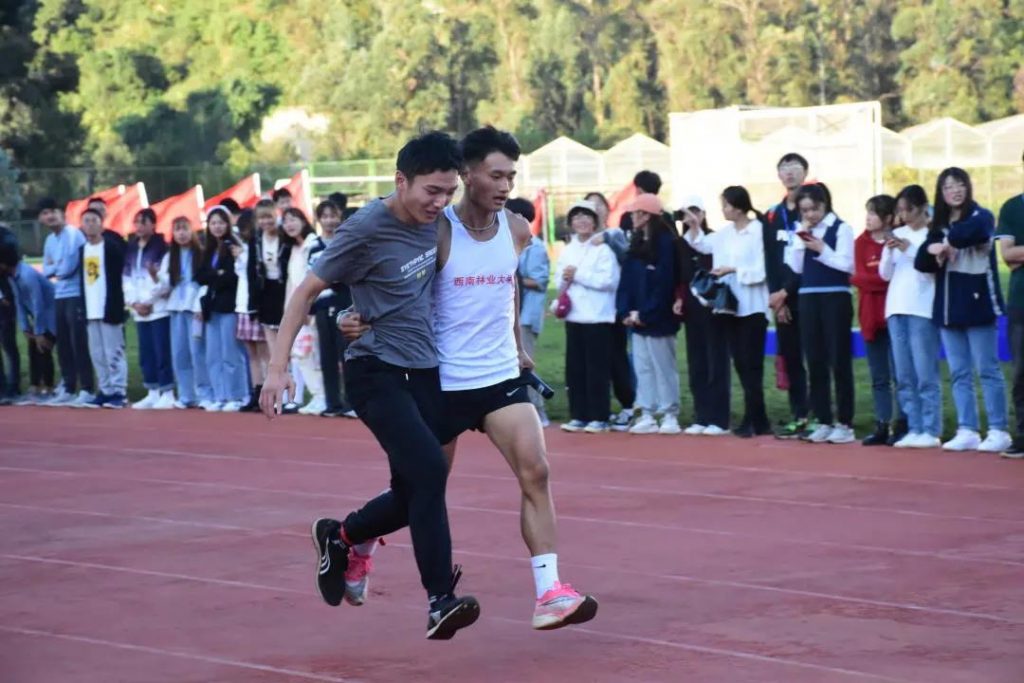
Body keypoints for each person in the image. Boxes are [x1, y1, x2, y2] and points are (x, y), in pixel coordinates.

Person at [340, 126, 598, 630]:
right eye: (495, 175)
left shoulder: (517, 229)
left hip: (499, 376)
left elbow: (508, 287)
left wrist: (518, 344)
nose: (504, 186)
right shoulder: (435, 232)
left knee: (537, 471)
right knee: (417, 493)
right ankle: (355, 538)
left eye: (511, 176)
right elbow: (393, 291)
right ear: (467, 174)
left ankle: (550, 593)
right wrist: (350, 317)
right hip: (439, 380)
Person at [259, 131, 481, 640]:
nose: (440, 202)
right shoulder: (364, 229)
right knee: (429, 472)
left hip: (426, 371)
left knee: (414, 490)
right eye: (431, 191)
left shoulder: (442, 219)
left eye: (448, 191)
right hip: (375, 372)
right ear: (401, 181)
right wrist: (278, 367)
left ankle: (342, 537)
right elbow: (305, 293)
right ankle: (440, 601)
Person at [916, 167, 1010, 453]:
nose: (954, 191)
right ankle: (967, 428)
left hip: (978, 303)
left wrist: (944, 244)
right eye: (948, 187)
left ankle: (998, 429)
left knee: (987, 369)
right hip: (948, 308)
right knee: (959, 372)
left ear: (968, 188)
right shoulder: (938, 226)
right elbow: (921, 261)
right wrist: (932, 249)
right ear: (941, 193)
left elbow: (970, 233)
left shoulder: (981, 216)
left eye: (959, 185)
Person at [685, 186, 771, 438]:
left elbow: (762, 271)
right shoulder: (725, 234)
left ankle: (753, 417)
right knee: (741, 364)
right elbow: (702, 244)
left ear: (739, 206)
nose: (723, 210)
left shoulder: (759, 231)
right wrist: (694, 225)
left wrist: (733, 270)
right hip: (729, 307)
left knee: (752, 365)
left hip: (753, 307)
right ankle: (758, 418)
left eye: (726, 205)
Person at [786, 183, 856, 444]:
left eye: (814, 209)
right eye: (805, 210)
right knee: (814, 360)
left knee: (839, 359)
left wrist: (822, 249)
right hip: (808, 296)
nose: (810, 215)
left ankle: (845, 423)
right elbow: (795, 267)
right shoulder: (803, 230)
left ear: (825, 204)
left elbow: (847, 264)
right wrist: (800, 239)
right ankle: (824, 419)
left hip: (835, 295)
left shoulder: (841, 228)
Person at [880, 185, 942, 449]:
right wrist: (889, 251)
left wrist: (908, 249)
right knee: (904, 375)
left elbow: (931, 270)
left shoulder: (933, 234)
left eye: (909, 209)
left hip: (922, 307)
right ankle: (914, 426)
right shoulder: (898, 233)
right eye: (900, 210)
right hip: (896, 307)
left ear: (922, 208)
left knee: (925, 372)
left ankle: (931, 428)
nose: (904, 215)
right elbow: (884, 274)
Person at [555, 200, 621, 433]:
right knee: (575, 369)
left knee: (597, 370)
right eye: (577, 217)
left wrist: (578, 275)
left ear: (595, 222)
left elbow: (609, 281)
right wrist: (565, 280)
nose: (581, 221)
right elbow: (559, 282)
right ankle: (578, 415)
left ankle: (599, 416)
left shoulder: (603, 249)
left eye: (586, 216)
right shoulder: (568, 249)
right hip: (574, 317)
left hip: (598, 318)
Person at [617, 194, 680, 434]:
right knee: (642, 366)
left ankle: (669, 414)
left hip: (659, 319)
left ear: (646, 215)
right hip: (636, 319)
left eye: (636, 213)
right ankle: (647, 412)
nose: (632, 217)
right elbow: (626, 282)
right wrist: (625, 311)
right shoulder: (636, 244)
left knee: (663, 367)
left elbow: (664, 284)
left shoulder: (666, 243)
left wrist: (646, 313)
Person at [672, 196, 730, 436]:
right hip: (691, 307)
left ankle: (719, 417)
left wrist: (697, 228)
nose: (691, 217)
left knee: (715, 359)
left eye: (695, 211)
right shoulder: (680, 243)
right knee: (697, 361)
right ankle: (702, 415)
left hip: (712, 305)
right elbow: (679, 275)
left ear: (704, 214)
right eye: (686, 212)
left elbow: (709, 254)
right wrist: (678, 298)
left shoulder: (714, 238)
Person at [852, 195, 907, 446]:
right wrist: (870, 280)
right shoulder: (860, 243)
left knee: (900, 374)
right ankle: (882, 423)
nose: (868, 218)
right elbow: (858, 277)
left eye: (874, 213)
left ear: (887, 218)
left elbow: (883, 278)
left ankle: (903, 422)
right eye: (868, 213)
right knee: (879, 376)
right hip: (870, 315)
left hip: (893, 312)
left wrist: (866, 280)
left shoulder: (896, 241)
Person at [765, 154, 811, 438]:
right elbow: (771, 259)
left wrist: (787, 290)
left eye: (795, 168)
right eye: (784, 168)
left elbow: (807, 259)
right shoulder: (773, 215)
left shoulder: (811, 211)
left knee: (816, 358)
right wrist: (777, 296)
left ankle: (822, 416)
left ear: (805, 172)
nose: (789, 173)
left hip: (807, 293)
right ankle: (800, 415)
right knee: (791, 359)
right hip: (781, 298)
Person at [587, 190, 637, 431]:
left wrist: (607, 239)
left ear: (607, 210)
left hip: (614, 308)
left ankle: (628, 405)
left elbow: (626, 258)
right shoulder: (581, 240)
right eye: (590, 206)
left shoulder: (614, 234)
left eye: (599, 205)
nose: (595, 209)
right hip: (588, 313)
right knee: (595, 362)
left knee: (617, 358)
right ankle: (598, 410)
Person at [40, 197, 94, 405]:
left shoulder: (72, 234)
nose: (50, 216)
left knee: (78, 342)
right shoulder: (49, 240)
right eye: (45, 213)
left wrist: (56, 268)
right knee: (63, 344)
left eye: (53, 211)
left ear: (62, 213)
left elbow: (69, 267)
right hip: (59, 295)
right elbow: (46, 269)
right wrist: (56, 267)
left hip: (75, 294)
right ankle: (69, 386)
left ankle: (87, 388)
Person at [197, 206, 249, 412]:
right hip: (212, 308)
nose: (217, 227)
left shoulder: (233, 246)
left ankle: (237, 394)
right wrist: (216, 274)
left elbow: (231, 277)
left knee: (231, 353)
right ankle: (220, 394)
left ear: (228, 224)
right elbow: (200, 275)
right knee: (213, 355)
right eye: (213, 223)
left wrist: (216, 276)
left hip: (229, 306)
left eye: (221, 222)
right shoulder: (208, 248)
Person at [158, 216, 213, 409]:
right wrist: (159, 280)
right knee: (180, 353)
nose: (181, 234)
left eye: (185, 229)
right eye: (177, 230)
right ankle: (186, 394)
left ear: (192, 231)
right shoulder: (169, 257)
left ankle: (205, 392)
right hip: (176, 308)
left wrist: (200, 305)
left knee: (197, 352)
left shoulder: (201, 254)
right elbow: (164, 283)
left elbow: (206, 283)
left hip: (194, 307)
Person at [123, 208, 174, 409]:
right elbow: (126, 279)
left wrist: (148, 302)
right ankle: (152, 390)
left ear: (153, 225)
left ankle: (167, 391)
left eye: (143, 222)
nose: (139, 226)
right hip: (139, 310)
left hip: (158, 309)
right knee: (146, 353)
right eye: (136, 222)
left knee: (162, 351)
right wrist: (134, 303)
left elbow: (165, 281)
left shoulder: (163, 249)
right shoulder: (131, 249)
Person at [77, 208, 128, 409]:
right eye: (86, 221)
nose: (90, 225)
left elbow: (119, 279)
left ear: (101, 224)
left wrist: (117, 306)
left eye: (93, 220)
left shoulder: (111, 248)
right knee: (97, 353)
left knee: (113, 351)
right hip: (90, 309)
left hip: (108, 307)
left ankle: (119, 391)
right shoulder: (82, 250)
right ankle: (105, 389)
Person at [309, 199, 356, 418]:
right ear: (319, 220)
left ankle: (351, 402)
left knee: (345, 355)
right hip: (322, 307)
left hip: (344, 305)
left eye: (333, 216)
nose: (329, 221)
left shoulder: (344, 242)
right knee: (326, 356)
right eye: (325, 217)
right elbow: (313, 276)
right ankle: (332, 402)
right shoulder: (314, 245)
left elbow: (344, 273)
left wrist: (330, 278)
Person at [240, 200, 286, 412]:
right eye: (262, 218)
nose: (266, 221)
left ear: (276, 215)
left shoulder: (285, 237)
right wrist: (253, 305)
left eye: (269, 217)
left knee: (286, 348)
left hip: (284, 292)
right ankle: (273, 395)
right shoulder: (256, 240)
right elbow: (251, 272)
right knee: (272, 350)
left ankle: (288, 394)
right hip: (265, 293)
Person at [509, 197, 551, 427]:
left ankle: (538, 409)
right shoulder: (507, 242)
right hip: (512, 313)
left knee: (524, 364)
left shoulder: (534, 247)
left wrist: (505, 278)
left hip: (526, 314)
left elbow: (539, 280)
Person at [281, 207, 327, 415]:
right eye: (285, 221)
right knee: (300, 354)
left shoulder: (312, 243)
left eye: (293, 219)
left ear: (303, 220)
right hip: (296, 311)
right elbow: (292, 284)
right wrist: (288, 311)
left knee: (314, 353)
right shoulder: (292, 248)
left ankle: (323, 396)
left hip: (311, 310)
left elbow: (315, 279)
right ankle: (318, 396)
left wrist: (309, 307)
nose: (289, 224)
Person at [0, 245, 57, 404]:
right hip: (38, 315)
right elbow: (19, 301)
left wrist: (39, 332)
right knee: (33, 347)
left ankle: (49, 388)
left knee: (43, 347)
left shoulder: (27, 275)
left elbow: (38, 303)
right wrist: (25, 327)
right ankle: (35, 387)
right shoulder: (12, 277)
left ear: (4, 263)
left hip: (52, 313)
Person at [997, 151, 1024, 459]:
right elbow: (1007, 255)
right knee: (1021, 373)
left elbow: (1017, 254)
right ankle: (1023, 435)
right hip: (1020, 301)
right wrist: (1015, 254)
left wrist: (1020, 252)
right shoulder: (1012, 208)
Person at [0, 223, 20, 403]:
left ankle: (12, 387)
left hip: (5, 295)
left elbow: (11, 252)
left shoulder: (5, 235)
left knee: (7, 344)